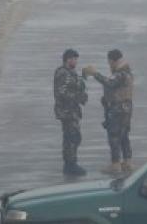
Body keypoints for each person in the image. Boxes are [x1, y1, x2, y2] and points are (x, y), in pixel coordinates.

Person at [84, 49, 134, 175]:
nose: (109, 64)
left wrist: (95, 74)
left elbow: (110, 83)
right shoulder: (126, 72)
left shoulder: (121, 73)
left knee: (114, 136)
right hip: (126, 108)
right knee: (124, 136)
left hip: (118, 109)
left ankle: (115, 164)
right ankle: (127, 162)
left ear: (113, 60)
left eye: (109, 62)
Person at [54, 48, 88, 176]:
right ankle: (70, 165)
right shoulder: (62, 73)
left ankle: (70, 164)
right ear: (68, 59)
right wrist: (77, 97)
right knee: (71, 137)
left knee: (73, 137)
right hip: (66, 111)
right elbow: (61, 92)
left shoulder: (71, 72)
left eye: (76, 59)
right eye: (74, 59)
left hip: (72, 110)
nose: (75, 61)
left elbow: (77, 85)